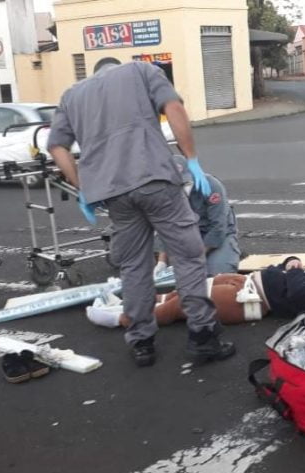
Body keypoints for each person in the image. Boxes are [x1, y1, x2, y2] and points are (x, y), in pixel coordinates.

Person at [47, 61, 235, 367]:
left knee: (134, 265)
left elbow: (56, 146)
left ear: (96, 72)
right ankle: (203, 335)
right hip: (154, 178)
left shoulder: (72, 95)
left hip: (112, 193)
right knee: (187, 256)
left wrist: (82, 188)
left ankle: (141, 342)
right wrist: (192, 160)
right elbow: (172, 107)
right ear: (115, 67)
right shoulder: (141, 71)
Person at [86, 256, 305, 327]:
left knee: (182, 307)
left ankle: (121, 320)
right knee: (181, 292)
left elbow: (299, 293)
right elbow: (290, 274)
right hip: (249, 283)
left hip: (250, 300)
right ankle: (129, 306)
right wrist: (289, 264)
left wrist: (296, 269)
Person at [155, 159, 241, 276]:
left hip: (218, 232)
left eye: (185, 183)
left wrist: (196, 258)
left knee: (216, 273)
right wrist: (162, 262)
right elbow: (165, 227)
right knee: (177, 276)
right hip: (187, 234)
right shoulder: (163, 194)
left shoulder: (210, 185)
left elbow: (218, 227)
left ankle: (229, 253)